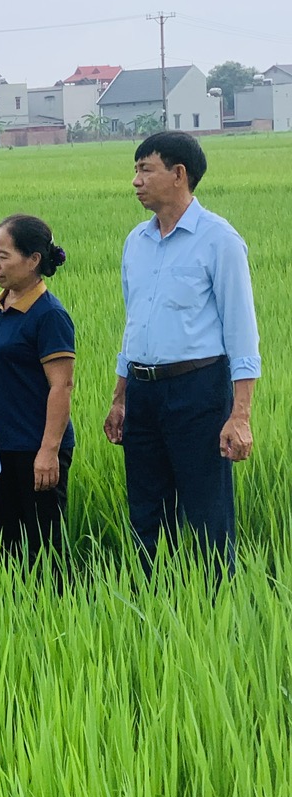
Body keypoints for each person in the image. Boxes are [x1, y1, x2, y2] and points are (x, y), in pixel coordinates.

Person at [103, 131, 260, 576]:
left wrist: (240, 414)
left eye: (145, 169)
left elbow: (241, 331)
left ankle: (213, 613)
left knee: (207, 512)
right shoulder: (137, 241)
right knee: (146, 512)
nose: (136, 180)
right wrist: (120, 396)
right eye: (135, 170)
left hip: (198, 391)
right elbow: (134, 324)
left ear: (178, 175)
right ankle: (154, 605)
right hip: (143, 391)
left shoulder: (219, 240)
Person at [0, 214, 75, 564]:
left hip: (35, 448)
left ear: (33, 260)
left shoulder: (49, 315)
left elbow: (61, 386)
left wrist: (48, 452)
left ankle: (53, 612)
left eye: (4, 256)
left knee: (42, 547)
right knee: (7, 543)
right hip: (0, 448)